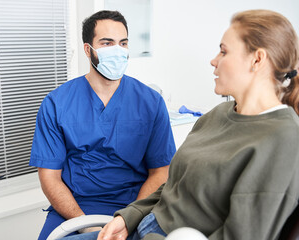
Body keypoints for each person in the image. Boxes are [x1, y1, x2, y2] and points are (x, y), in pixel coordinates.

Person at [61, 9, 299, 240]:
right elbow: (173, 187)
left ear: (257, 59)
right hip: (137, 226)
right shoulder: (217, 115)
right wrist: (127, 218)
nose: (213, 61)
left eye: (223, 52)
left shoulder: (283, 140)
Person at [29, 10, 176, 240]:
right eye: (107, 43)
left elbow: (161, 172)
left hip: (135, 203)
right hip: (75, 206)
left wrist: (130, 217)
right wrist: (86, 227)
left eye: (123, 43)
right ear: (88, 50)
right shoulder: (56, 104)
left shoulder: (150, 102)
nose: (117, 51)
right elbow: (50, 178)